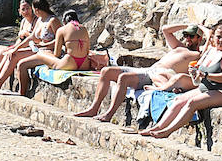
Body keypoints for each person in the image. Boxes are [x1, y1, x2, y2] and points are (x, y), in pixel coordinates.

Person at [75, 21, 203, 122]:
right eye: (186, 35)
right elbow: (165, 29)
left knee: (124, 78)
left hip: (156, 75)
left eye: (191, 36)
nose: (187, 39)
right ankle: (94, 108)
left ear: (199, 38)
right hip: (149, 70)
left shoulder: (199, 54)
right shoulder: (178, 47)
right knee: (106, 71)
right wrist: (190, 25)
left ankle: (109, 114)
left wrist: (205, 31)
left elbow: (210, 43)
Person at [138, 20, 222, 138]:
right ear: (213, 37)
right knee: (178, 100)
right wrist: (194, 71)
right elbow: (198, 66)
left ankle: (167, 131)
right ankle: (157, 127)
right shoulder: (211, 51)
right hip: (205, 88)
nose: (221, 40)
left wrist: (205, 75)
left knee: (192, 103)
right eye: (218, 37)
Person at [8, 9, 107, 96]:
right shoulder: (84, 29)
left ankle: (22, 93)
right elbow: (86, 50)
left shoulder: (62, 30)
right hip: (84, 64)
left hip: (69, 63)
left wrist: (45, 50)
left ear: (64, 21)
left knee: (36, 57)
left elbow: (56, 54)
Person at [0, 0, 60, 89]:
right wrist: (16, 48)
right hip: (38, 49)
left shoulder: (53, 20)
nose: (30, 12)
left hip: (48, 51)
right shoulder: (40, 20)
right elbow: (31, 38)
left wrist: (44, 44)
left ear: (37, 10)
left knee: (17, 58)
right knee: (12, 53)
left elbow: (60, 40)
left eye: (30, 9)